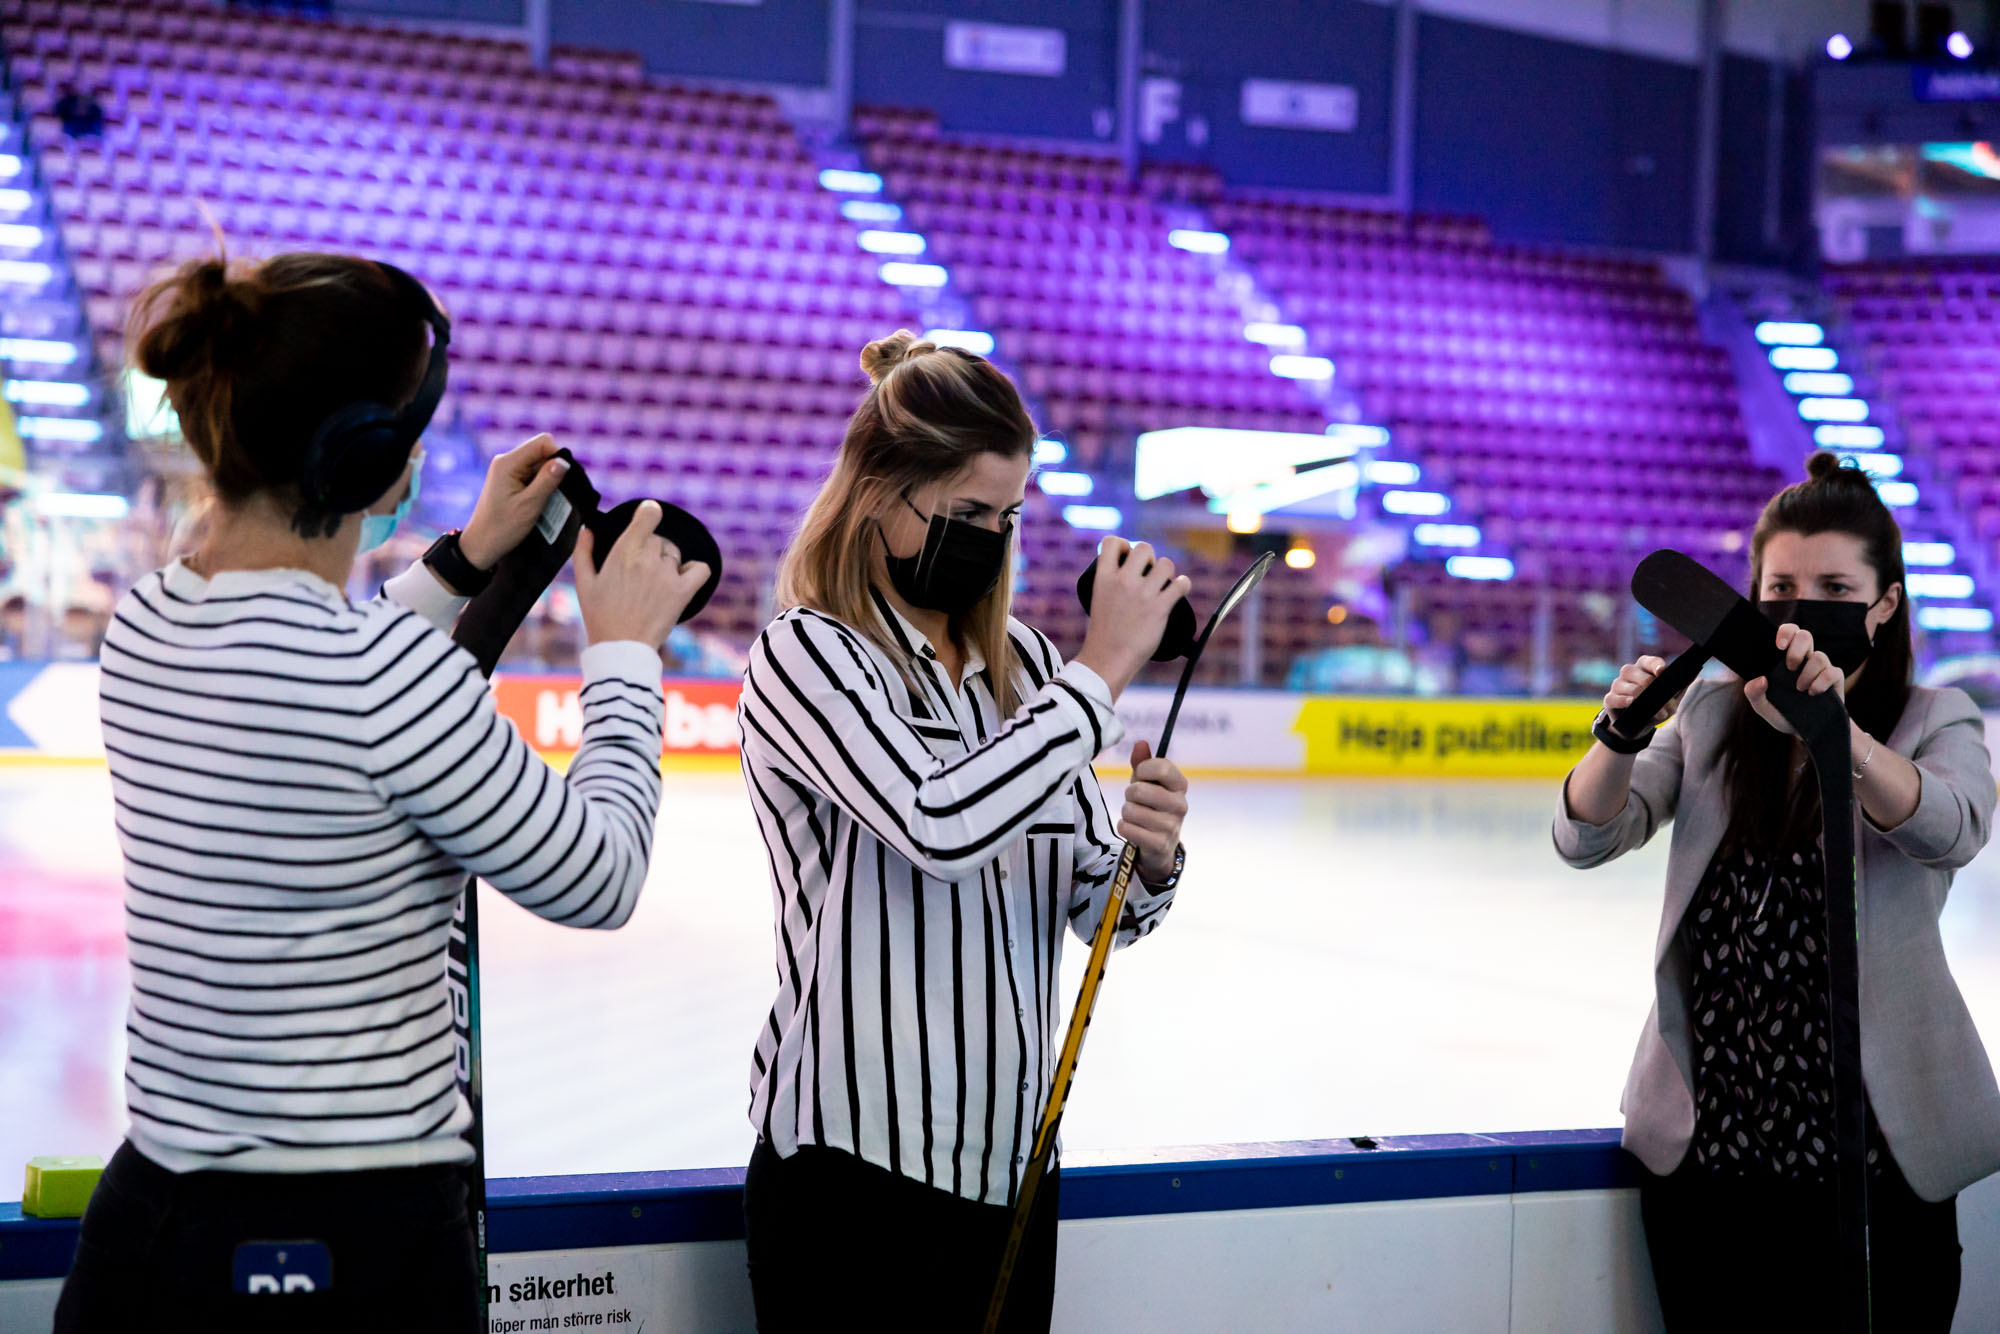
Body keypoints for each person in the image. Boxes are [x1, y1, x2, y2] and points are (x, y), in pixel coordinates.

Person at [54, 252, 710, 1333]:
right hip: (360, 1240)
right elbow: (600, 875)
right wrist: (627, 653)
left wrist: (464, 557)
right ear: (371, 458)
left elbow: (322, 658)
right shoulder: (389, 682)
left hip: (154, 1229)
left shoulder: (151, 620)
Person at [737, 331, 1195, 1333]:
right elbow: (934, 819)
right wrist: (1098, 675)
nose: (991, 535)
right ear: (878, 494)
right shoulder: (807, 654)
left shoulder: (1027, 668)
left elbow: (1098, 912)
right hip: (852, 1175)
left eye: (1007, 514)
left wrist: (1147, 860)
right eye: (965, 513)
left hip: (1013, 1173)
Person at [1554, 451, 2000, 1332]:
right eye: (1780, 587)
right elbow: (1588, 836)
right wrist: (1616, 734)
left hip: (1876, 1164)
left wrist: (1833, 732)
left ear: (1885, 602)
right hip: (1709, 1158)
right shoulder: (1715, 716)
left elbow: (1953, 827)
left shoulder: (1934, 716)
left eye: (1834, 585)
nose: (1800, 611)